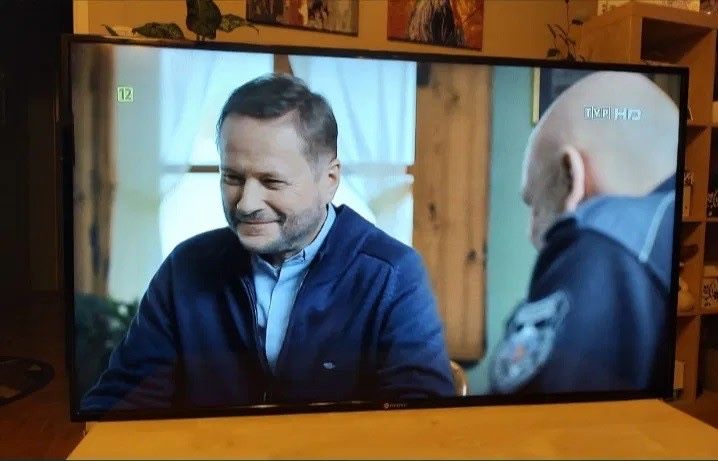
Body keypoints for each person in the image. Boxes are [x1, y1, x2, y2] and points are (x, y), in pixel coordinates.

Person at [81, 74, 455, 412]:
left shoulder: (392, 275)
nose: (246, 203)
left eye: (272, 182)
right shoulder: (185, 268)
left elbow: (422, 423)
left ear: (329, 180)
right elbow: (121, 402)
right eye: (232, 178)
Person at [490, 71, 679, 394]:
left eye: (536, 205)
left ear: (571, 176)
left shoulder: (603, 246)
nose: (530, 232)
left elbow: (530, 420)